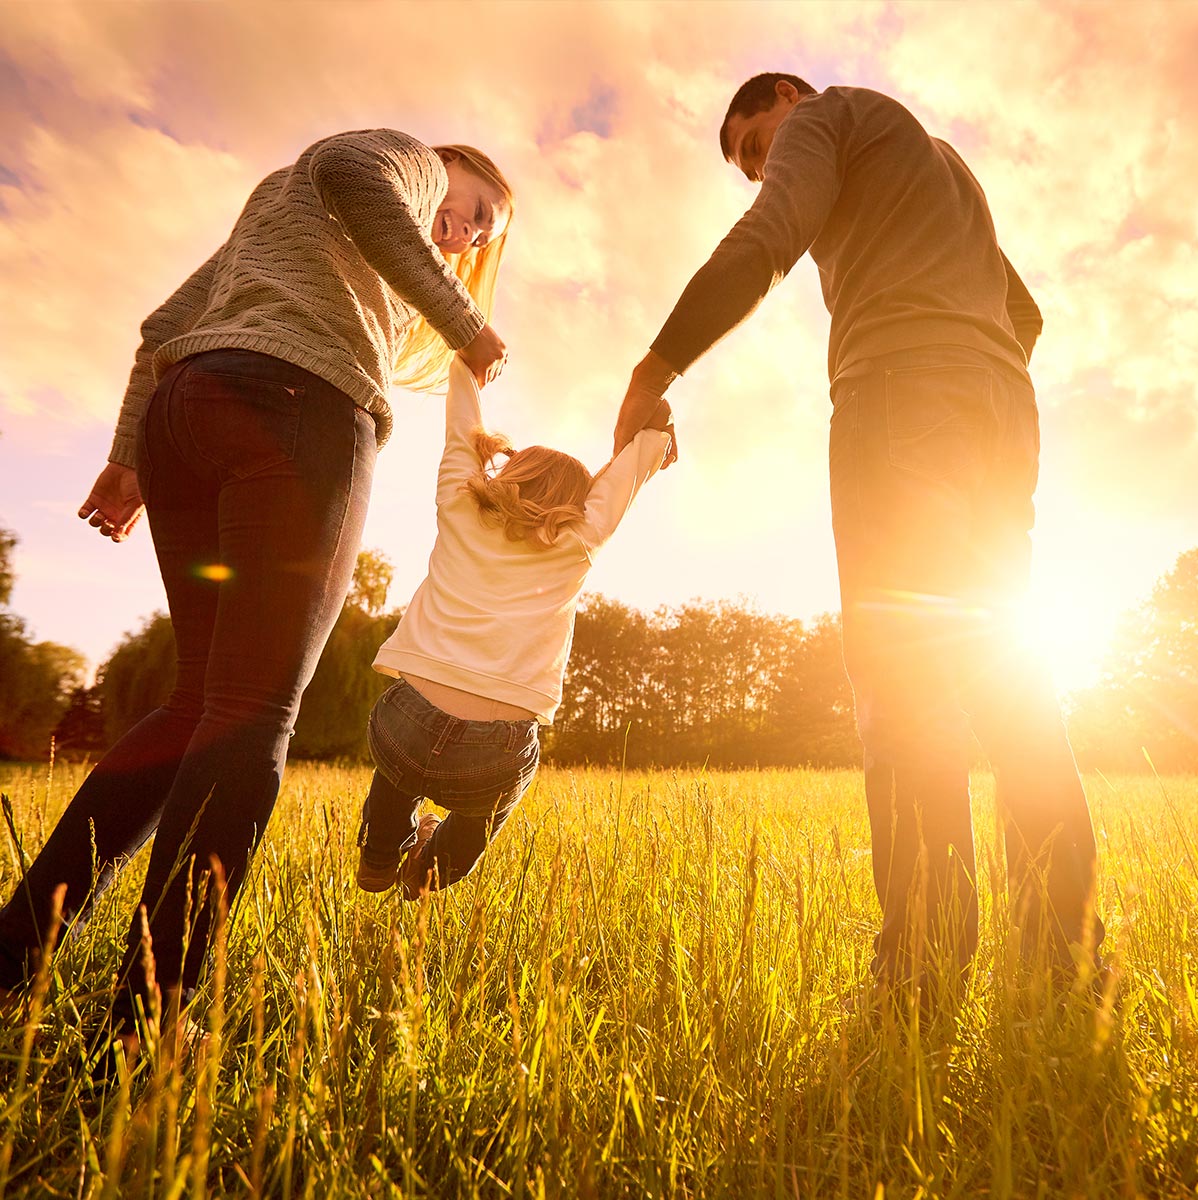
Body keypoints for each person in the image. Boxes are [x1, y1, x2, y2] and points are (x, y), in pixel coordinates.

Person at [0, 128, 514, 1054]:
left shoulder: (291, 227)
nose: (467, 232)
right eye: (475, 208)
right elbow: (356, 170)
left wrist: (127, 460)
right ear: (446, 167)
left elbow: (163, 328)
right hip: (299, 411)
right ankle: (149, 1023)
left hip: (186, 415)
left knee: (196, 703)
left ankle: (10, 959)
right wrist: (463, 318)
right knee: (250, 714)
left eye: (482, 236)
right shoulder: (400, 159)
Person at [613, 73, 1103, 991]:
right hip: (1002, 411)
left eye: (760, 145)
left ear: (789, 99)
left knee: (904, 676)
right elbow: (1023, 311)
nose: (763, 170)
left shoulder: (828, 117)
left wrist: (656, 368)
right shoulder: (939, 161)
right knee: (1009, 677)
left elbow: (769, 238)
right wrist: (967, 366)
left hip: (900, 399)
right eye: (751, 164)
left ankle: (920, 965)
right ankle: (1065, 955)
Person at [356, 358, 673, 896]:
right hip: (495, 749)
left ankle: (380, 857)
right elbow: (625, 478)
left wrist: (466, 366)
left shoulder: (460, 504)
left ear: (509, 473)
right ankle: (429, 874)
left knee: (399, 768)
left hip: (405, 722)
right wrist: (656, 438)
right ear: (578, 504)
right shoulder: (580, 540)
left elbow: (461, 430)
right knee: (483, 814)